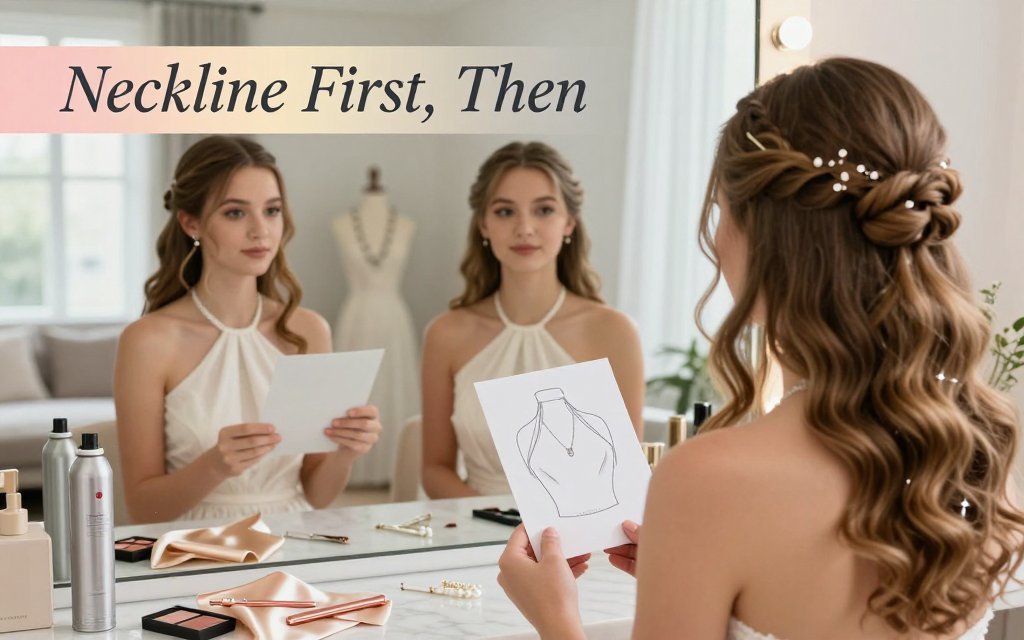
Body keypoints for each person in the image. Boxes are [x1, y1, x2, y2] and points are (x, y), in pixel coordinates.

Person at [496, 58, 1024, 639]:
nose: (716, 238)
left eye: (721, 212)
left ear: (767, 238)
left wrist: (556, 618)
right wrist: (686, 565)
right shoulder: (975, 453)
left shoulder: (708, 480)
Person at [115, 135, 382, 523]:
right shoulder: (148, 341)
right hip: (193, 544)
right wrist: (215, 466)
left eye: (271, 211)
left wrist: (346, 452)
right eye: (235, 213)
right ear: (191, 222)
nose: (261, 231)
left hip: (295, 538)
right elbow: (143, 508)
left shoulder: (307, 331)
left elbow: (317, 495)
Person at [421, 141, 645, 498]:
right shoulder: (446, 334)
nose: (524, 228)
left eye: (543, 210)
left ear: (569, 222)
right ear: (483, 225)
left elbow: (626, 474)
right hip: (475, 524)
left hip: (584, 527)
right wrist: (500, 521)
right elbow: (434, 470)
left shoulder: (614, 333)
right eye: (505, 212)